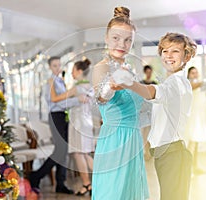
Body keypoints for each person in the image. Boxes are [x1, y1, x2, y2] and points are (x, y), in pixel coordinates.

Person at [115, 32, 197, 200]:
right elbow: (153, 109)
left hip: (173, 154)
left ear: (186, 56)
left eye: (175, 51)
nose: (169, 55)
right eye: (165, 51)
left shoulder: (177, 82)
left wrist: (128, 82)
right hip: (166, 154)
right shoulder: (170, 82)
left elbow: (151, 91)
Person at [91, 6, 149, 200]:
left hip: (133, 139)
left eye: (128, 40)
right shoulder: (102, 67)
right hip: (115, 140)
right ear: (106, 38)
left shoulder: (129, 68)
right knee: (113, 193)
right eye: (116, 38)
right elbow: (100, 97)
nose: (122, 44)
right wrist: (111, 87)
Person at [29, 56, 87, 194]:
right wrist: (76, 100)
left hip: (63, 117)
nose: (58, 68)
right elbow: (55, 102)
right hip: (56, 117)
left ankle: (60, 184)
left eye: (59, 65)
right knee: (60, 150)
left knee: (64, 150)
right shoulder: (49, 83)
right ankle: (36, 176)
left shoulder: (60, 81)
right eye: (55, 65)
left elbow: (65, 100)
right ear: (50, 67)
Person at [68, 58, 94, 196]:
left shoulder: (77, 88)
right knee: (84, 153)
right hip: (87, 123)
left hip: (78, 123)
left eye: (73, 71)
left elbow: (57, 100)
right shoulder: (89, 86)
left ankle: (87, 184)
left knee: (78, 154)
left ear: (79, 71)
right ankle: (96, 181)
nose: (71, 74)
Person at [186, 66, 206, 175]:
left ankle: (195, 167)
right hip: (191, 118)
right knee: (191, 143)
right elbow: (195, 85)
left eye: (196, 73)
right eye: (192, 73)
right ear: (188, 75)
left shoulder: (199, 85)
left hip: (198, 117)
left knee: (196, 142)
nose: (195, 75)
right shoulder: (188, 85)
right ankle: (189, 169)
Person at [140, 65, 156, 160]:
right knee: (145, 134)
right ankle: (147, 153)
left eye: (150, 72)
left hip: (152, 111)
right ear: (145, 72)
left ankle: (150, 152)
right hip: (143, 111)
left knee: (151, 134)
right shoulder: (141, 83)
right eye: (147, 72)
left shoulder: (154, 84)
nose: (149, 74)